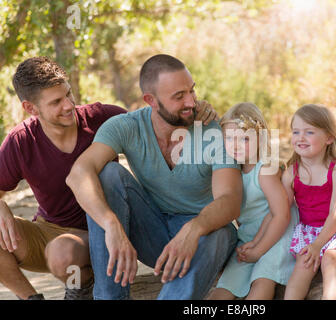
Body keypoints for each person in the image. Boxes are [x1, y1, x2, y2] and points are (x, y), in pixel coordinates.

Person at [65, 54, 242, 300]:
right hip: (152, 231)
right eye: (179, 96)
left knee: (221, 231)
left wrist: (194, 228)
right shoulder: (125, 126)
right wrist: (111, 224)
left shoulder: (210, 130)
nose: (191, 101)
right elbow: (78, 174)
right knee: (108, 174)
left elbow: (230, 200)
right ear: (151, 100)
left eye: (192, 91)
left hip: (202, 237)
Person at [0, 57, 127, 300]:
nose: (69, 105)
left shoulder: (101, 118)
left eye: (68, 94)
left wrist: (198, 113)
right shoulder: (20, 142)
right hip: (51, 231)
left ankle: (82, 286)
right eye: (56, 102)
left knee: (62, 252)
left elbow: (154, 124)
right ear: (31, 108)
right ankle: (31, 298)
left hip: (106, 228)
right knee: (57, 249)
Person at [208, 102, 297, 300]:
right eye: (229, 138)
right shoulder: (230, 172)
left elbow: (281, 215)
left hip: (279, 232)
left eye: (245, 139)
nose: (236, 144)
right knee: (224, 288)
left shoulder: (264, 170)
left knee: (262, 280)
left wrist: (259, 250)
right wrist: (252, 246)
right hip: (250, 236)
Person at [282, 104, 336, 300]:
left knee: (331, 258)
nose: (300, 137)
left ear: (329, 138)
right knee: (303, 264)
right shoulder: (291, 173)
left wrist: (317, 245)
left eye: (309, 132)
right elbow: (282, 210)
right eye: (295, 131)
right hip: (311, 229)